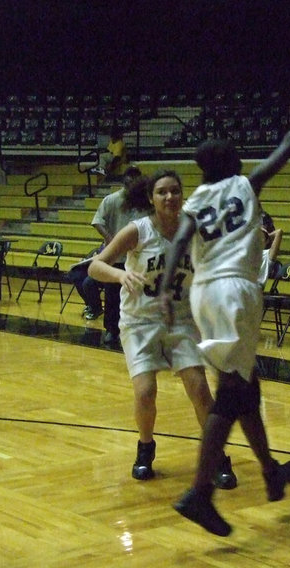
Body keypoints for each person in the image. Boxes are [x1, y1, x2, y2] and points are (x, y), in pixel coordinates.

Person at [158, 71, 290, 537]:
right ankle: (200, 492)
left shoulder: (197, 199)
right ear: (232, 161)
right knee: (232, 393)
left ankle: (270, 472)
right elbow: (289, 142)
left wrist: (164, 290)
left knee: (247, 387)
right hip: (235, 290)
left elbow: (180, 241)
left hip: (203, 293)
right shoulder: (245, 184)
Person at [89, 169, 236, 486]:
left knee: (198, 387)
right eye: (162, 192)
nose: (170, 197)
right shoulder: (137, 231)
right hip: (140, 321)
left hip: (180, 320)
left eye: (175, 191)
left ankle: (218, 455)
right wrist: (120, 276)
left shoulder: (195, 230)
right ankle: (145, 448)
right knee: (145, 391)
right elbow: (95, 266)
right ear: (151, 198)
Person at [91, 167, 151, 346]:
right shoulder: (112, 200)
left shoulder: (145, 202)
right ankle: (111, 330)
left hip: (138, 258)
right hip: (117, 259)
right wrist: (113, 242)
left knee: (138, 294)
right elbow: (97, 221)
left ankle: (139, 330)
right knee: (112, 295)